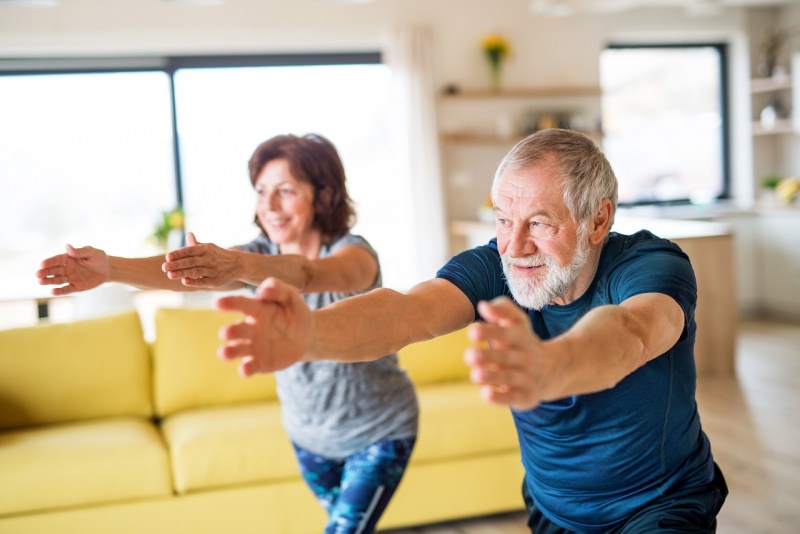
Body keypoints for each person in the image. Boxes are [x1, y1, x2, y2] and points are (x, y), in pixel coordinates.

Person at [215, 128, 729, 534]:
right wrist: (309, 333)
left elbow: (633, 332)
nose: (514, 245)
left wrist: (549, 368)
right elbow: (407, 313)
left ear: (598, 222)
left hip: (661, 504)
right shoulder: (493, 266)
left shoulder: (651, 265)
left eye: (540, 223)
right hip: (553, 508)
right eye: (504, 220)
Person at [36, 133, 419, 534]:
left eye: (285, 191)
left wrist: (236, 264)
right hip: (309, 437)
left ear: (323, 196)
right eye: (261, 191)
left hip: (380, 431)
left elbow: (307, 275)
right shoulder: (258, 255)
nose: (269, 206)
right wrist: (111, 269)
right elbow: (187, 275)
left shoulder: (354, 254)